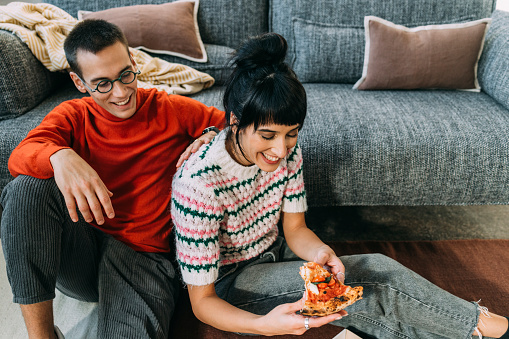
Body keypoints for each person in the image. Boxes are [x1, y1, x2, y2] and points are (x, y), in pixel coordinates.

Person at [171, 32, 509, 338]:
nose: (280, 150)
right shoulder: (197, 187)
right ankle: (488, 326)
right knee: (374, 274)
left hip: (278, 252)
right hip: (235, 283)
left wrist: (320, 252)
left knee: (364, 302)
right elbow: (202, 303)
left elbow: (295, 228)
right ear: (234, 122)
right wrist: (264, 325)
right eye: (267, 136)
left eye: (291, 134)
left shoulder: (286, 152)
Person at [0, 19, 224, 339]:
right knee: (25, 187)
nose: (120, 93)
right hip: (83, 251)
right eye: (102, 83)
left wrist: (212, 136)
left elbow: (234, 128)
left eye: (125, 75)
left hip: (143, 256)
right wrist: (59, 156)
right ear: (80, 82)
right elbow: (19, 156)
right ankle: (43, 335)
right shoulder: (72, 116)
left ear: (133, 62)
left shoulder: (169, 108)